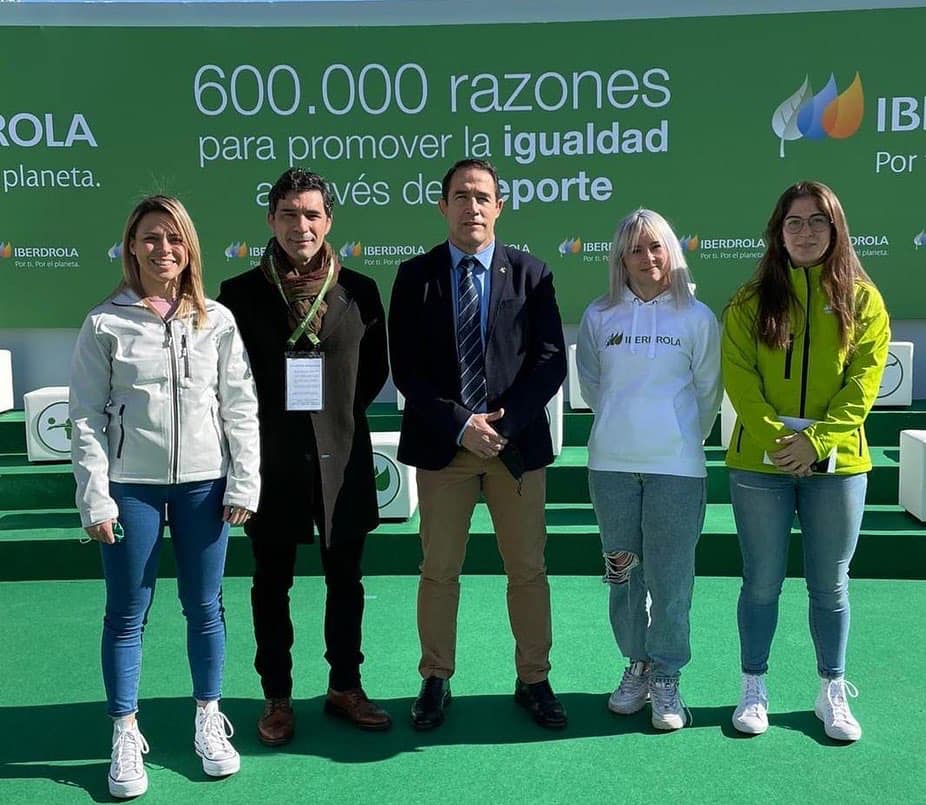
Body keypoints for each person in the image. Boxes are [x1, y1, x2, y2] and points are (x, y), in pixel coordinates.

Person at [70, 195, 260, 799]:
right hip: (132, 489)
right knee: (127, 613)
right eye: (150, 238)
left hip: (206, 486)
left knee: (205, 607)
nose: (163, 250)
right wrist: (96, 497)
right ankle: (125, 731)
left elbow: (240, 405)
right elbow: (84, 418)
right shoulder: (105, 322)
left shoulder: (217, 320)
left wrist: (244, 480)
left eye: (174, 239)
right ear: (131, 246)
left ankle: (208, 716)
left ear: (189, 248)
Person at [389, 158, 568, 730]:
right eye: (461, 196)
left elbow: (549, 360)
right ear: (443, 206)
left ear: (499, 205)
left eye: (482, 196)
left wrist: (505, 423)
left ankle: (534, 679)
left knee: (528, 570)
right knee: (439, 570)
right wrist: (463, 424)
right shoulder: (414, 276)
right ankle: (436, 678)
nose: (472, 206)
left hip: (513, 449)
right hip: (447, 448)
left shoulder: (532, 274)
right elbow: (407, 371)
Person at [218, 168, 391, 744]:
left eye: (312, 214)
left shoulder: (361, 291)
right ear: (270, 220)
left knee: (347, 581)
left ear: (329, 221)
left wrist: (331, 420)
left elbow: (372, 374)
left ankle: (346, 685)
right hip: (271, 466)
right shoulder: (237, 295)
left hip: (342, 460)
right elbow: (229, 383)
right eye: (289, 214)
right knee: (272, 585)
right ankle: (277, 697)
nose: (301, 226)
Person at [722, 180, 890, 742]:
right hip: (759, 463)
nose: (806, 231)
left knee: (831, 585)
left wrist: (816, 443)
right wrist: (777, 438)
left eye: (817, 220)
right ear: (778, 232)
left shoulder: (863, 299)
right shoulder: (749, 301)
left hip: (837, 465)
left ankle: (831, 690)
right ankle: (753, 688)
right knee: (761, 582)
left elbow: (863, 383)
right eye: (794, 222)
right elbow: (740, 380)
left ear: (835, 228)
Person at [576, 209, 721, 730]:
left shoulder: (698, 317)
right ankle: (635, 664)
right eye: (635, 249)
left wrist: (679, 437)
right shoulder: (599, 315)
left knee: (672, 578)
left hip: (676, 468)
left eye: (655, 246)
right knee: (623, 571)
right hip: (612, 465)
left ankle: (667, 675)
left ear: (671, 251)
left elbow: (708, 392)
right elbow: (594, 387)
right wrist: (625, 425)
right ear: (621, 257)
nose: (647, 258)